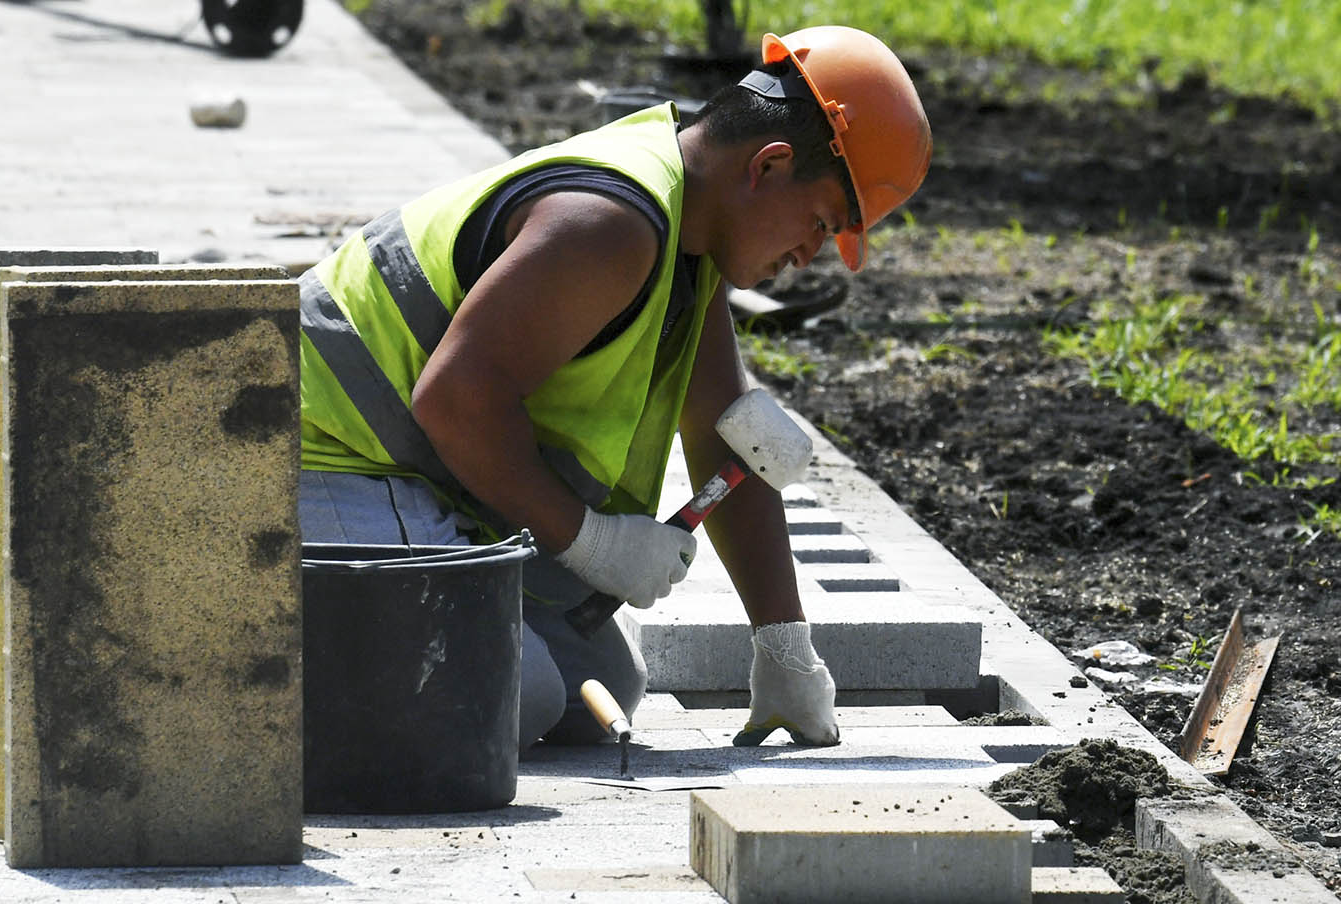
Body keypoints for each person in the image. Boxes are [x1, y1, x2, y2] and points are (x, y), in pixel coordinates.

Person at [295, 25, 931, 752]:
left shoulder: (691, 237)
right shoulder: (611, 227)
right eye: (821, 224)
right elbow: (454, 400)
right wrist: (589, 541)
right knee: (503, 697)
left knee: (596, 689)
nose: (808, 256)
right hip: (320, 455)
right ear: (770, 164)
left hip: (417, 475)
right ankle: (239, 687)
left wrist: (783, 644)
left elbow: (722, 428)